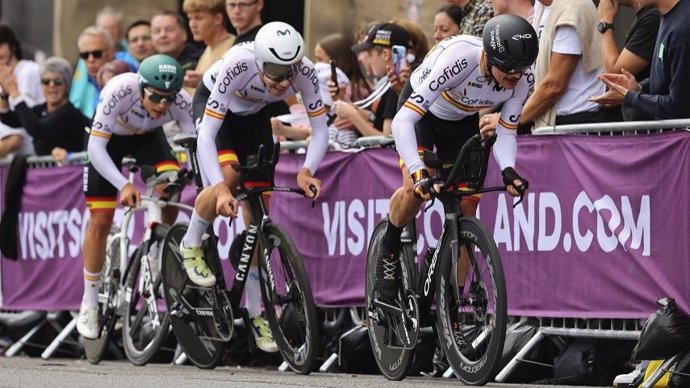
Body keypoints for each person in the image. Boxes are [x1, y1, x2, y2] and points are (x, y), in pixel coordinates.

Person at [182, 22, 329, 353]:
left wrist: (307, 171)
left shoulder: (304, 72)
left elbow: (321, 130)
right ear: (259, 62)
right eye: (273, 72)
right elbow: (206, 135)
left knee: (260, 211)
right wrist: (219, 188)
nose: (281, 82)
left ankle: (255, 311)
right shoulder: (238, 62)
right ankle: (190, 242)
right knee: (231, 176)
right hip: (216, 110)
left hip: (253, 118)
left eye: (287, 72)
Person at [373, 15, 535, 306]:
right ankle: (390, 245)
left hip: (459, 122)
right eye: (509, 69)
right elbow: (403, 121)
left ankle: (453, 304)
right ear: (488, 56)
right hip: (421, 114)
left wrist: (509, 170)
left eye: (522, 70)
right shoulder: (459, 60)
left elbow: (507, 131)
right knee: (414, 191)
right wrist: (418, 171)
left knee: (467, 206)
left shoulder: (522, 77)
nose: (516, 77)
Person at [77, 54, 195, 339]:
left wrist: (193, 173)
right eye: (155, 97)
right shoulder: (120, 90)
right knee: (101, 220)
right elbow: (96, 150)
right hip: (107, 145)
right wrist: (123, 185)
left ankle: (155, 251)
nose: (162, 105)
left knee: (171, 182)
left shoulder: (181, 101)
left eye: (169, 98)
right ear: (141, 87)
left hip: (147, 139)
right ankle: (89, 304)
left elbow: (195, 142)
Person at [517, 0, 611, 129]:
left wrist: (509, 121)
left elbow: (554, 86)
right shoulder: (543, 6)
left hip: (577, 126)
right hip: (554, 123)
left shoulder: (572, 8)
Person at [590, 0, 690, 120]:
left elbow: (679, 106)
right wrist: (639, 87)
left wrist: (630, 97)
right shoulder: (667, 16)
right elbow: (670, 75)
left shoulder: (683, 26)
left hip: (679, 135)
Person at [0, 57, 89, 163]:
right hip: (47, 176)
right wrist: (4, 93)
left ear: (67, 85)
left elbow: (37, 129)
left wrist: (15, 92)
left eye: (58, 81)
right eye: (46, 81)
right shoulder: (42, 109)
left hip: (70, 176)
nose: (51, 85)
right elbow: (8, 119)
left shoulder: (69, 113)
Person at [335, 23, 411, 137]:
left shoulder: (395, 86)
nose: (368, 60)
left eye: (370, 54)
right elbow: (376, 118)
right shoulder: (389, 84)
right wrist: (346, 103)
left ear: (385, 54)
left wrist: (353, 115)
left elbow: (387, 141)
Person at [595, 0, 660, 120]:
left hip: (649, 126)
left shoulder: (653, 18)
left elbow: (614, 72)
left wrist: (605, 23)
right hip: (641, 121)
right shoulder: (646, 17)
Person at [0, 24, 44, 158]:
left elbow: (38, 113)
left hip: (35, 159)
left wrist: (13, 91)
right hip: (13, 164)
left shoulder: (30, 71)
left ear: (12, 46)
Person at [182, 0, 235, 95]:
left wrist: (204, 82)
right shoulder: (208, 49)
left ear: (218, 19)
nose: (192, 25)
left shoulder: (233, 48)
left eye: (198, 18)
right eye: (190, 18)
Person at [69, 26, 115, 119]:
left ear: (110, 53)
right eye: (85, 55)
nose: (91, 59)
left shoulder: (123, 73)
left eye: (96, 54)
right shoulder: (79, 78)